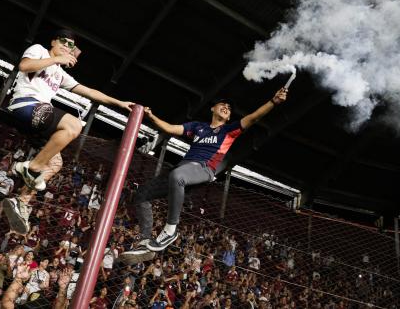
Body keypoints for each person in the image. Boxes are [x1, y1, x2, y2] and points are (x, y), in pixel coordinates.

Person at [120, 87, 288, 263]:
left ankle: (170, 230)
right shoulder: (197, 127)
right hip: (184, 169)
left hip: (203, 169)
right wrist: (151, 116)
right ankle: (145, 241)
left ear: (230, 117)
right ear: (212, 109)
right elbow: (170, 128)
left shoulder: (229, 131)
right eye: (222, 104)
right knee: (142, 195)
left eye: (229, 109)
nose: (226, 107)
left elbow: (254, 117)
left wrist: (273, 102)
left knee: (177, 176)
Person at [3, 30, 133, 231]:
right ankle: (31, 167)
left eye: (71, 45)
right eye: (63, 41)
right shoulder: (39, 50)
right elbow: (24, 66)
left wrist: (119, 103)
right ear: (53, 41)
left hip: (39, 118)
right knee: (73, 125)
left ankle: (21, 201)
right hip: (26, 105)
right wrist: (58, 60)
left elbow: (90, 92)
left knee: (55, 163)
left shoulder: (60, 74)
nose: (67, 46)